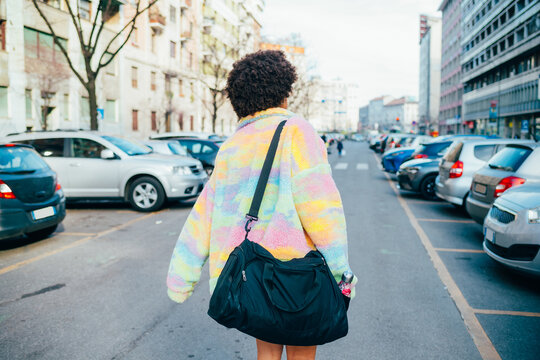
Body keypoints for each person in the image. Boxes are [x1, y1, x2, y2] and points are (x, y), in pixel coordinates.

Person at [167, 50, 355, 360]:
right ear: (283, 93)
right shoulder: (297, 131)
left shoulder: (231, 146)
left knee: (266, 354)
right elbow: (321, 209)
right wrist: (341, 272)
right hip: (298, 275)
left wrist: (181, 276)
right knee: (301, 355)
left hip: (249, 275)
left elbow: (205, 213)